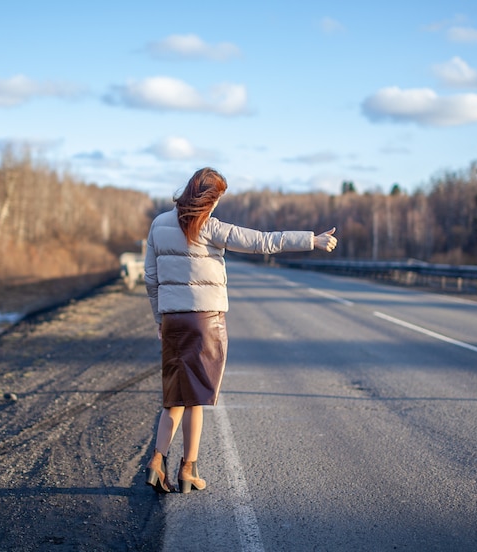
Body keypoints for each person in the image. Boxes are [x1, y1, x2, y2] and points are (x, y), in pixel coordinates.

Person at [143, 167, 337, 494]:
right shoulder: (210, 226)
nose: (217, 205)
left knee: (173, 395)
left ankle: (155, 461)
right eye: (216, 199)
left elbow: (150, 278)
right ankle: (187, 470)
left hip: (173, 319)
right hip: (204, 321)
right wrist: (311, 240)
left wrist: (160, 318)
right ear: (209, 198)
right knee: (195, 399)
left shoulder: (159, 224)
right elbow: (262, 242)